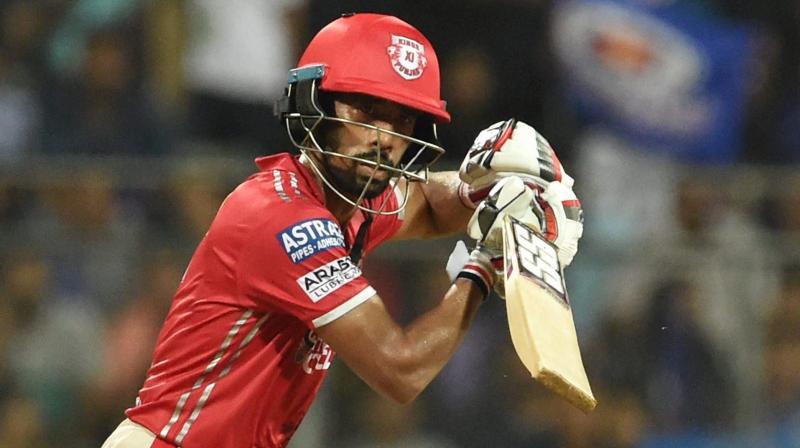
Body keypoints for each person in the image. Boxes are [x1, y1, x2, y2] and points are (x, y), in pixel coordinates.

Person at [102, 13, 583, 448]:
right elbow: (400, 369)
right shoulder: (281, 217)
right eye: (365, 112)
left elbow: (429, 205)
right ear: (319, 108)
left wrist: (493, 190)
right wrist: (485, 265)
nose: (384, 140)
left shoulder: (353, 195)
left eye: (401, 121)